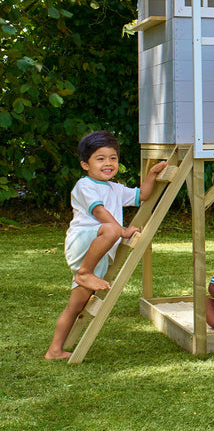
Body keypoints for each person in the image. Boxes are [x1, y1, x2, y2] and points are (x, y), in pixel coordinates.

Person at [45, 131, 167, 360]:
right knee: (111, 228)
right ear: (85, 164)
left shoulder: (115, 188)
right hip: (82, 243)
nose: (108, 163)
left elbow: (143, 196)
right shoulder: (85, 186)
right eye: (100, 158)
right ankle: (84, 273)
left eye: (113, 158)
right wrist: (121, 231)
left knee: (76, 306)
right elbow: (100, 213)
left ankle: (54, 350)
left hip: (99, 254)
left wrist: (152, 174)